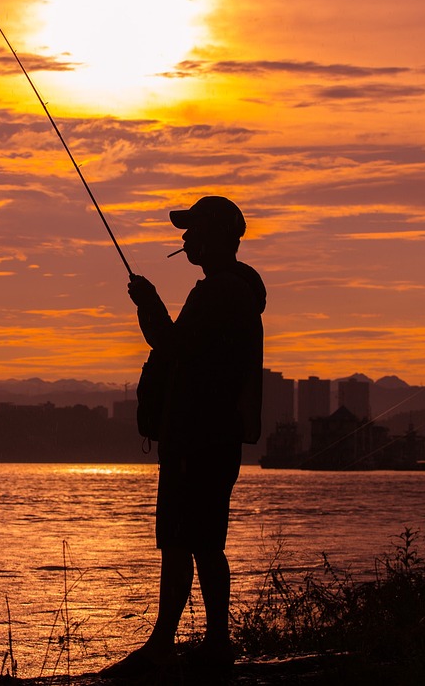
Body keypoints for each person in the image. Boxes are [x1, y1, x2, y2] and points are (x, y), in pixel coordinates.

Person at [106, 195, 265, 676]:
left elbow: (175, 345)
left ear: (216, 237)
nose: (185, 238)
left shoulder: (220, 292)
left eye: (193, 229)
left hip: (198, 438)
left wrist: (148, 303)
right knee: (203, 541)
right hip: (211, 438)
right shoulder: (231, 291)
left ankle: (165, 646)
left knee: (181, 540)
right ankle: (212, 642)